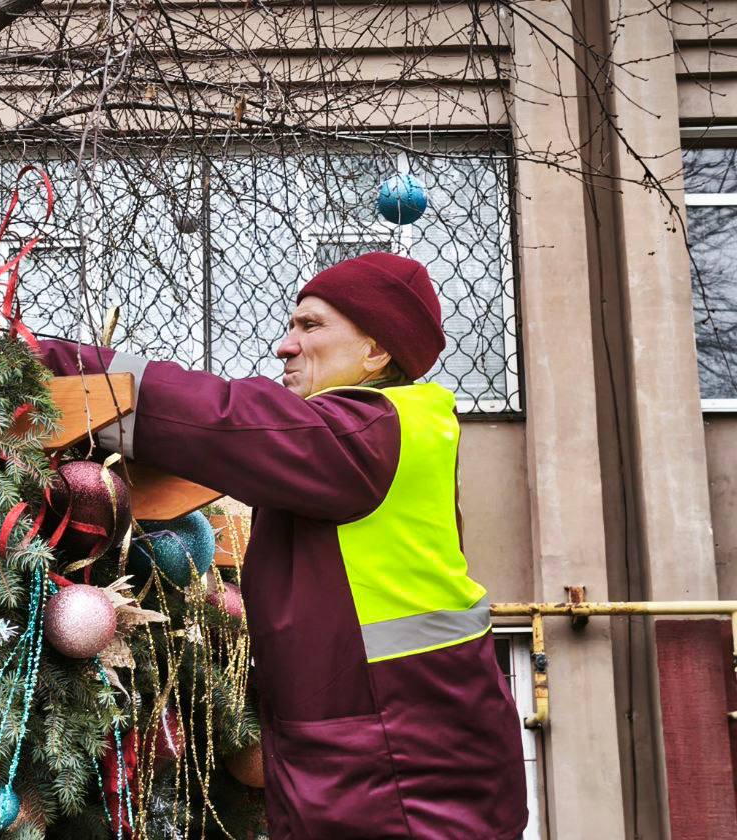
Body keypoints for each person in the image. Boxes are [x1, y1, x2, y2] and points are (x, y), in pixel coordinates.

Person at [35, 252, 528, 839]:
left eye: (311, 325)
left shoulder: (373, 429)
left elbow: (226, 421)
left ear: (377, 351)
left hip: (401, 767)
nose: (284, 346)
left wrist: (55, 365)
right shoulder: (370, 437)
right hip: (379, 748)